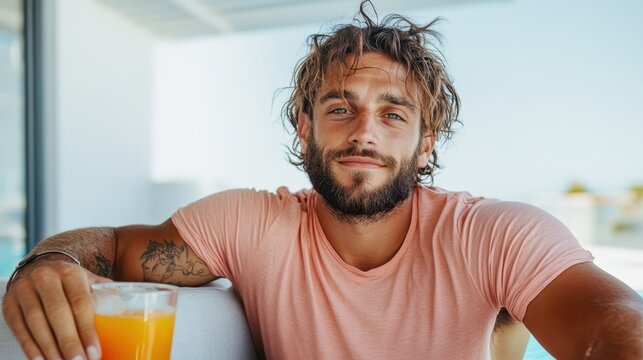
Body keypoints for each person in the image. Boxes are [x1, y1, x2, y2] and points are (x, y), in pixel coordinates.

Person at [3, 1, 643, 359]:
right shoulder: (250, 223)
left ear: (426, 145)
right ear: (305, 130)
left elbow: (612, 325)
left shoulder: (493, 232)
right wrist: (45, 262)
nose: (364, 132)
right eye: (340, 108)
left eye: (393, 114)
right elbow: (112, 248)